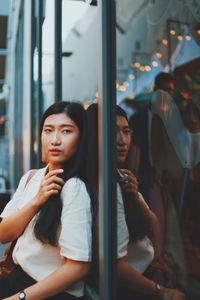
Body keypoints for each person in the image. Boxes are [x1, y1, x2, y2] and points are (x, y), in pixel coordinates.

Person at [86, 103, 185, 300]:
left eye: (126, 131)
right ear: (94, 135)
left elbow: (155, 233)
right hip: (128, 288)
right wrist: (161, 291)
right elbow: (113, 265)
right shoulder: (100, 184)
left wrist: (136, 199)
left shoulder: (120, 177)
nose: (122, 141)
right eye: (112, 131)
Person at [0, 101, 92, 300]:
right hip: (16, 280)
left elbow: (78, 267)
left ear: (81, 138)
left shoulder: (74, 187)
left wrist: (20, 298)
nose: (55, 140)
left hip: (46, 293)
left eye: (66, 131)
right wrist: (37, 200)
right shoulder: (32, 177)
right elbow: (3, 233)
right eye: (48, 130)